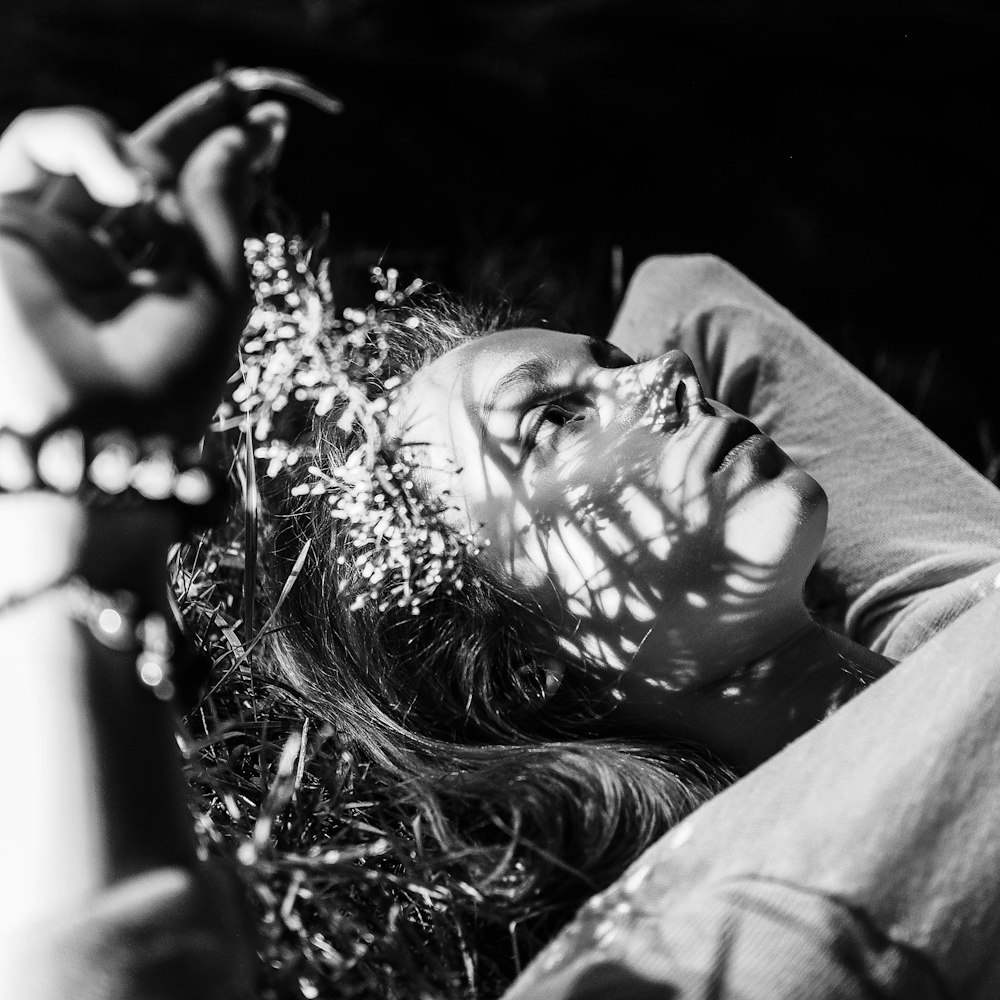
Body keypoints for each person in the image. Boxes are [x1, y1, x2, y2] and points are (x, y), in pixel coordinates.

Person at [1, 75, 999, 998]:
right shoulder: (698, 933)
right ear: (525, 665)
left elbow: (688, 298)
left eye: (612, 362)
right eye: (552, 423)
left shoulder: (947, 606)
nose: (661, 379)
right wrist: (76, 522)